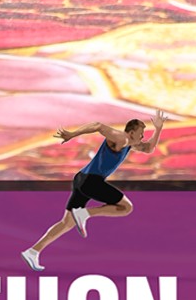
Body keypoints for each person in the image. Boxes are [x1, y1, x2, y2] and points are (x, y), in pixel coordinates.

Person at [23, 106, 164, 271]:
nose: (143, 136)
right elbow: (98, 125)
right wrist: (72, 134)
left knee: (66, 223)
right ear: (131, 132)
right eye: (141, 133)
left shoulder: (130, 144)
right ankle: (85, 213)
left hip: (82, 179)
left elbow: (148, 148)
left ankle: (33, 251)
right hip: (91, 181)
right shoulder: (122, 138)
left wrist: (158, 128)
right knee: (126, 207)